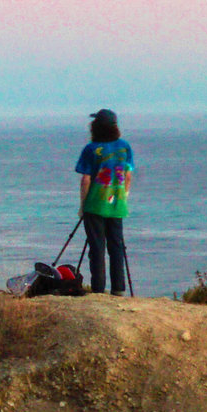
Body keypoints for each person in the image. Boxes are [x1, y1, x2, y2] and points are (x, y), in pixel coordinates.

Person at [74, 109, 135, 295]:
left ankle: (98, 289)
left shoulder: (91, 149)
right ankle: (118, 289)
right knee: (116, 247)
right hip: (117, 204)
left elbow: (86, 179)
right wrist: (124, 196)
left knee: (97, 248)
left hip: (95, 204)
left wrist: (82, 206)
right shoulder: (125, 147)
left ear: (96, 127)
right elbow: (128, 174)